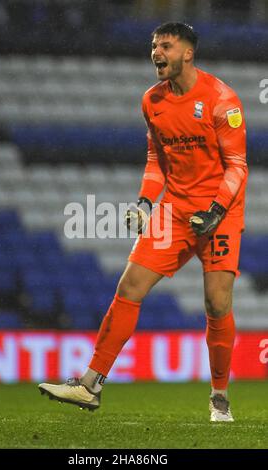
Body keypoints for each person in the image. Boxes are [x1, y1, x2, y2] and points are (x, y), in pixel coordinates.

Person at [39, 22, 247, 422]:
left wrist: (217, 210)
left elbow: (237, 166)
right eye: (154, 46)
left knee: (217, 302)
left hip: (220, 211)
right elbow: (157, 160)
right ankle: (90, 384)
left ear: (188, 53)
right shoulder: (152, 101)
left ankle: (219, 395)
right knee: (130, 285)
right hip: (176, 209)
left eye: (166, 45)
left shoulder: (223, 100)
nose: (157, 52)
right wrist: (144, 202)